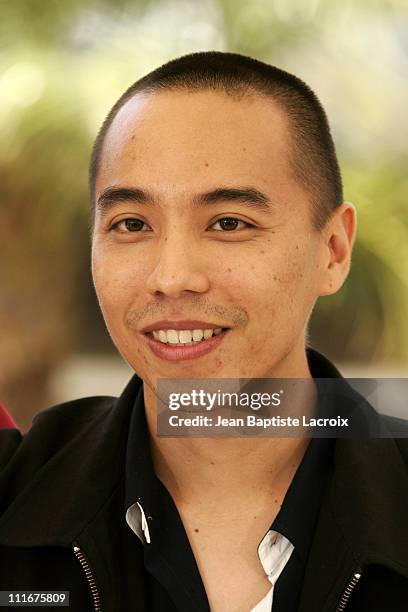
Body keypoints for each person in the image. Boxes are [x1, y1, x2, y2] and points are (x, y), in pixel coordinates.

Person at [0, 51, 407, 612]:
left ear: (333, 250)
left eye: (229, 223)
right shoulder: (14, 494)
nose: (171, 278)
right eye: (132, 224)